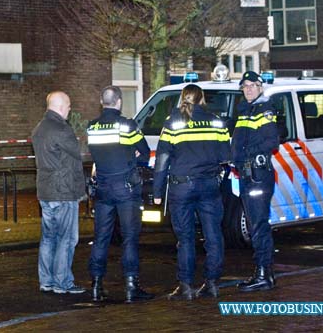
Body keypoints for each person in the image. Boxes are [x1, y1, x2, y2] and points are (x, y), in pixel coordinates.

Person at [153, 84, 230, 300]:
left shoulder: (173, 122)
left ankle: (185, 286)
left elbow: (162, 160)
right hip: (209, 185)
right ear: (202, 98)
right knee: (213, 235)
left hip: (182, 187)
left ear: (182, 98)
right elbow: (226, 154)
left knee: (185, 238)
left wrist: (157, 192)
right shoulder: (216, 121)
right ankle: (212, 283)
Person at [87, 85, 153, 303]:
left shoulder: (92, 127)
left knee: (101, 238)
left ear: (101, 101)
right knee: (130, 238)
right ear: (119, 102)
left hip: (103, 189)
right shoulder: (127, 125)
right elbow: (144, 151)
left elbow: (98, 154)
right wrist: (131, 153)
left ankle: (96, 285)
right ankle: (131, 286)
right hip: (126, 190)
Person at [32, 91, 87, 295]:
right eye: (69, 105)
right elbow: (79, 151)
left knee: (48, 237)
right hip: (63, 192)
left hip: (45, 191)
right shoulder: (61, 129)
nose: (70, 109)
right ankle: (62, 282)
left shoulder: (39, 128)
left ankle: (46, 280)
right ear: (62, 106)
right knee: (67, 238)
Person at [231, 71, 280, 292]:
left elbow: (272, 141)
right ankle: (264, 273)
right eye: (245, 86)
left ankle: (263, 274)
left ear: (260, 87)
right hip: (248, 174)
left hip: (257, 175)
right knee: (255, 225)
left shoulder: (264, 110)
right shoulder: (246, 111)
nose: (248, 89)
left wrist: (243, 154)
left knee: (258, 226)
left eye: (252, 85)